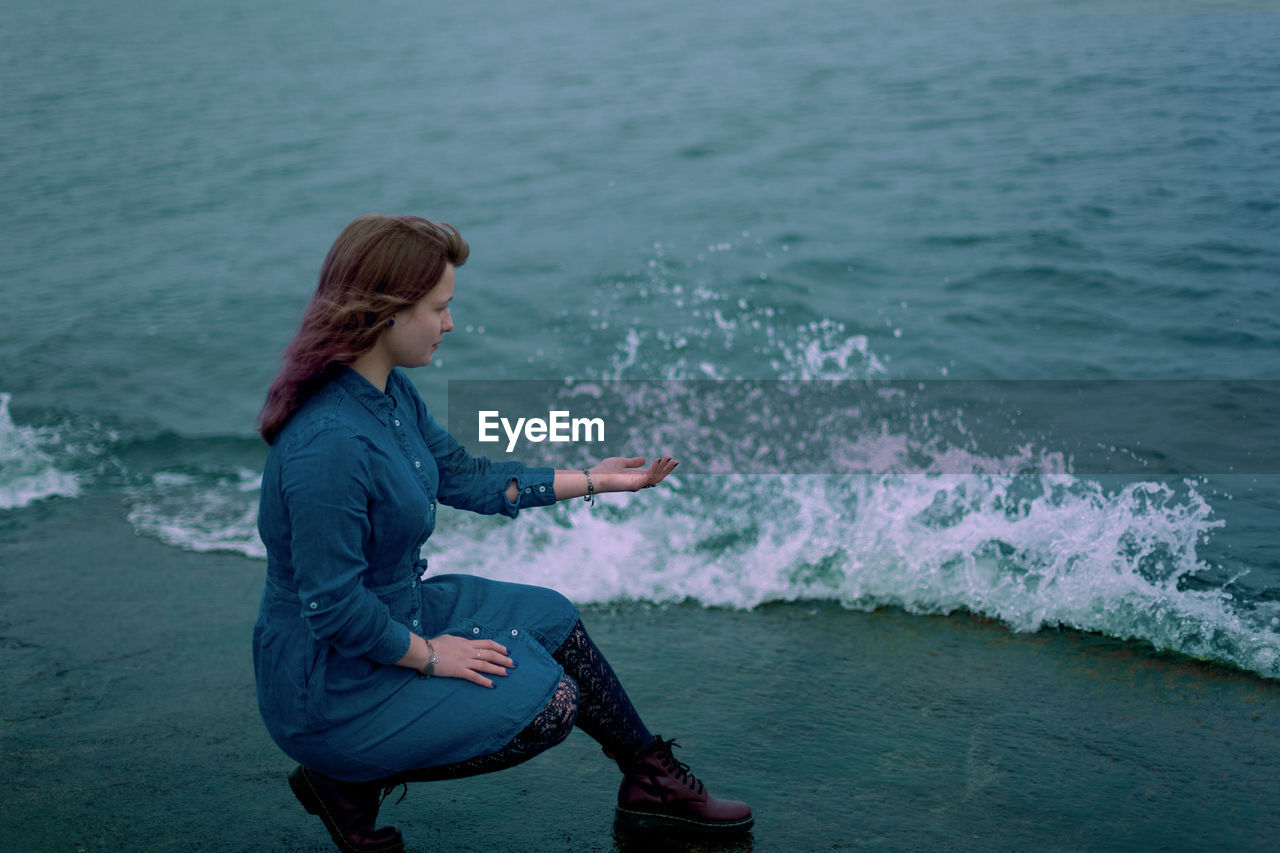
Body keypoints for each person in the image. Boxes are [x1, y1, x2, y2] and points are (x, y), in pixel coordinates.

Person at [252, 214, 752, 852]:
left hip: (394, 611)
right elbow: (334, 610)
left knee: (551, 616)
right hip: (328, 684)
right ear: (387, 314)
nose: (450, 324)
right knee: (551, 705)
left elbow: (466, 477)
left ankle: (650, 781)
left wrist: (594, 480)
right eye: (439, 308)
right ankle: (344, 779)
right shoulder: (329, 446)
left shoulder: (389, 394)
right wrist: (434, 656)